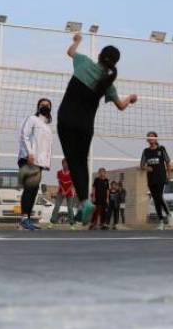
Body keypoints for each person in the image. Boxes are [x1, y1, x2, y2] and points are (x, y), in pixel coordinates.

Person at [58, 32, 137, 216]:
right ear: (114, 64)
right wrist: (130, 98)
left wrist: (77, 41)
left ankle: (84, 202)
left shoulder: (84, 62)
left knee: (72, 161)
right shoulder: (108, 83)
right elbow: (121, 106)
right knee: (81, 162)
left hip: (66, 120)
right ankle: (84, 202)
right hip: (85, 127)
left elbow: (70, 52)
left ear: (100, 55)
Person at [17, 98, 54, 231]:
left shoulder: (47, 127)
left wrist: (46, 163)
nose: (45, 106)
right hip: (29, 159)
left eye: (47, 105)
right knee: (29, 188)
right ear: (38, 107)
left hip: (39, 163)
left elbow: (46, 147)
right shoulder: (32, 119)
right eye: (42, 104)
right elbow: (23, 135)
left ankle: (26, 219)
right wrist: (30, 154)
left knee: (33, 190)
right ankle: (23, 219)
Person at [140, 131, 172, 230]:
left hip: (160, 177)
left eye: (152, 136)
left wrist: (169, 175)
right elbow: (141, 165)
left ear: (156, 138)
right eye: (149, 137)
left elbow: (168, 162)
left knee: (158, 197)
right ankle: (166, 216)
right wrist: (146, 168)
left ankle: (163, 219)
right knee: (156, 198)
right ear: (147, 139)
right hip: (151, 178)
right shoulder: (146, 151)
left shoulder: (161, 149)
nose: (150, 138)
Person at [50, 159, 77, 229]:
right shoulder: (59, 172)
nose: (66, 165)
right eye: (64, 163)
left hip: (69, 192)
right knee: (57, 206)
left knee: (70, 208)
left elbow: (72, 184)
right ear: (62, 164)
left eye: (67, 163)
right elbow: (59, 182)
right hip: (61, 191)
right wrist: (63, 191)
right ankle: (52, 222)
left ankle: (72, 224)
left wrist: (66, 192)